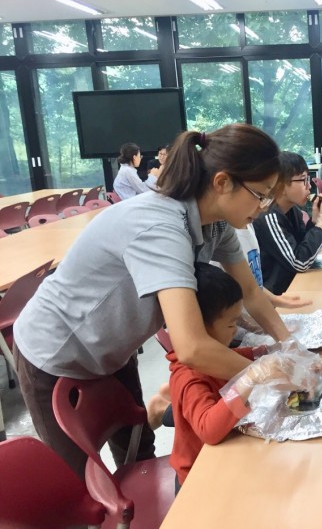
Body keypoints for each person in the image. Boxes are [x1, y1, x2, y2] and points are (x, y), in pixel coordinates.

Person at [13, 123, 298, 478]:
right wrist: (266, 375)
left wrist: (292, 350)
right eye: (260, 195)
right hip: (54, 352)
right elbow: (191, 348)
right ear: (223, 182)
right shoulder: (161, 226)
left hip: (113, 348)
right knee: (78, 481)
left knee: (138, 452)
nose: (264, 207)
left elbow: (251, 294)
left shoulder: (217, 223)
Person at [167, 262, 316, 490]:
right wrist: (251, 377)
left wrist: (276, 353)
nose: (236, 331)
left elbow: (242, 355)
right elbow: (209, 430)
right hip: (199, 477)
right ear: (200, 329)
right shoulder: (189, 377)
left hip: (230, 452)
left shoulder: (215, 354)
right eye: (231, 325)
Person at [254, 151, 322, 295]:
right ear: (280, 186)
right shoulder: (269, 217)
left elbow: (301, 247)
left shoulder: (293, 211)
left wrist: (314, 221)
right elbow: (299, 262)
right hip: (278, 296)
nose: (309, 186)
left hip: (293, 286)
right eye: (303, 180)